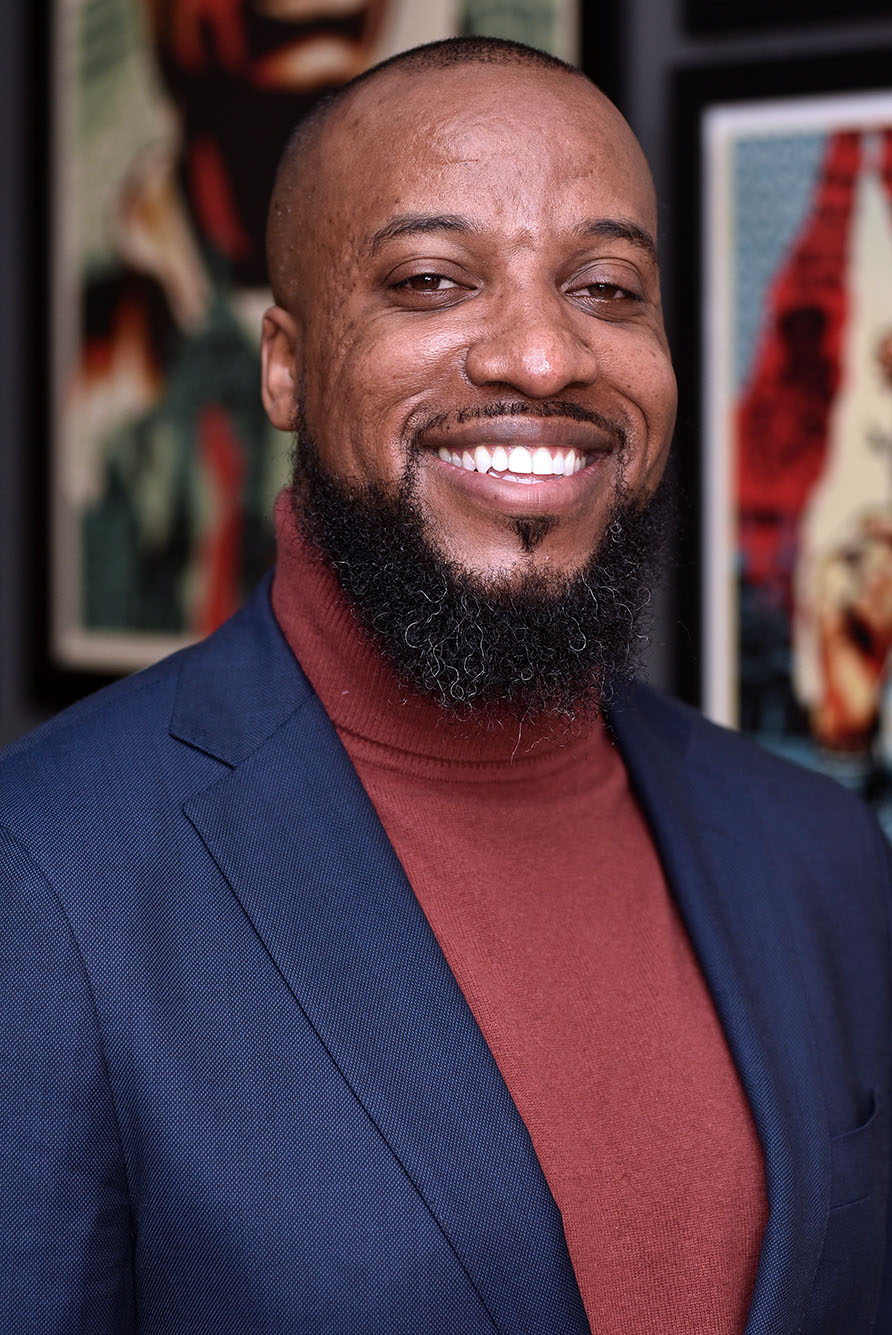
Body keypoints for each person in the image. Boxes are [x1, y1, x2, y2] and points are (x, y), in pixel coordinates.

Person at [2, 36, 890, 1335]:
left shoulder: (820, 856)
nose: (543, 356)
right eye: (430, 281)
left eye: (607, 287)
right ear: (286, 366)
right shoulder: (48, 876)